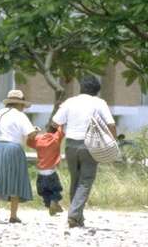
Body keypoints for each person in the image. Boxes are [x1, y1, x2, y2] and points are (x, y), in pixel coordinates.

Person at [52, 75, 116, 228]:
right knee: (86, 181)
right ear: (97, 90)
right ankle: (74, 215)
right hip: (90, 146)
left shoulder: (70, 102)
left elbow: (55, 122)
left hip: (70, 145)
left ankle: (77, 218)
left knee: (75, 180)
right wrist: (113, 141)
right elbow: (111, 124)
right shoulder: (99, 103)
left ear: (81, 88)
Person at [0, 89, 37, 224]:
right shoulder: (20, 115)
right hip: (12, 148)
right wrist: (35, 131)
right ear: (20, 104)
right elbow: (31, 134)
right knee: (15, 179)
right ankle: (13, 215)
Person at [26, 123, 65, 216]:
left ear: (47, 129)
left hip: (41, 173)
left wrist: (34, 132)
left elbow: (28, 143)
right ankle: (54, 203)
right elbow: (61, 129)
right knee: (55, 190)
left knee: (44, 192)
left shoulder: (39, 139)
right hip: (51, 172)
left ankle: (52, 206)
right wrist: (59, 124)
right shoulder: (56, 138)